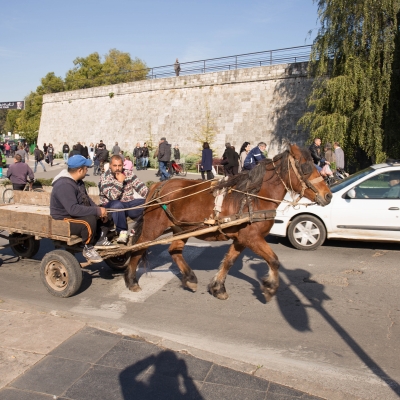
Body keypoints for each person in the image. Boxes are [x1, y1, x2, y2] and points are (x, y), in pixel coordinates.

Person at [50, 155, 117, 263]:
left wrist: (99, 210)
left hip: (76, 213)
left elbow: (87, 200)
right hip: (65, 218)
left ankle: (100, 239)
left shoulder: (79, 182)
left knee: (107, 213)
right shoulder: (64, 185)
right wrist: (96, 211)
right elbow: (72, 209)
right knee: (89, 221)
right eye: (86, 168)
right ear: (80, 170)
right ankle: (88, 247)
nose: (87, 170)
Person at [99, 155, 148, 244]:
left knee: (148, 203)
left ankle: (138, 228)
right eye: (115, 166)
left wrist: (151, 196)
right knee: (117, 204)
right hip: (111, 206)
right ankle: (122, 232)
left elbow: (141, 187)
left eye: (120, 165)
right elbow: (112, 197)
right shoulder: (104, 177)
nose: (117, 168)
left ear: (123, 165)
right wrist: (120, 182)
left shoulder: (128, 173)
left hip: (129, 203)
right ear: (110, 165)